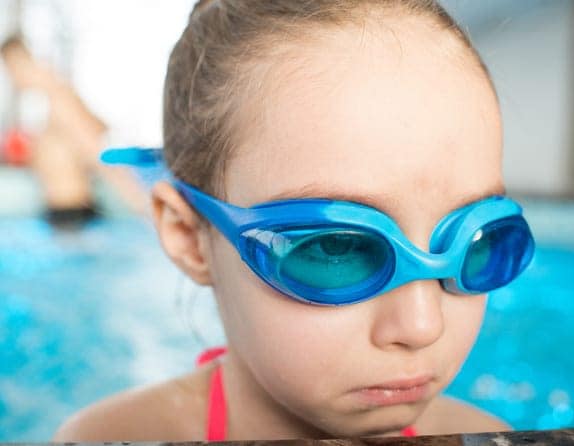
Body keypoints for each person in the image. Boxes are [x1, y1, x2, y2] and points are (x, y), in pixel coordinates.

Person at [53, 0, 535, 440]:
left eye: (480, 241)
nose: (422, 325)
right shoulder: (110, 437)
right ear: (189, 237)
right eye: (334, 247)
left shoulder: (488, 435)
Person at [0, 35, 148, 226]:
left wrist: (139, 202)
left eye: (14, 67)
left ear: (31, 62)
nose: (14, 78)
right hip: (64, 214)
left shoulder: (61, 101)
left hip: (72, 216)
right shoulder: (52, 103)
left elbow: (96, 152)